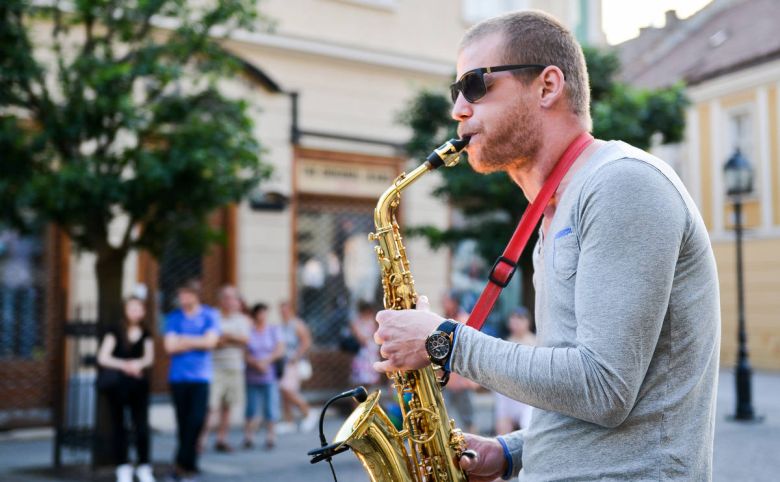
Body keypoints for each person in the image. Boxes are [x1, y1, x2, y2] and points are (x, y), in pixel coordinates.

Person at [373, 11, 720, 481]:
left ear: (547, 86)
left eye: (474, 85)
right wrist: (512, 451)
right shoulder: (560, 207)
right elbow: (594, 398)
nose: (458, 109)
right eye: (455, 92)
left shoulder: (622, 183)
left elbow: (604, 388)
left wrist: (443, 341)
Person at [164, 280, 220, 482]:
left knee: (196, 420)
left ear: (196, 295)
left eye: (186, 294)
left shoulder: (209, 315)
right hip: (178, 377)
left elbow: (210, 342)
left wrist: (184, 340)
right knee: (183, 422)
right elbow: (169, 347)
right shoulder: (174, 317)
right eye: (180, 295)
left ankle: (180, 463)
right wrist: (198, 341)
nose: (182, 298)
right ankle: (190, 465)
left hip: (200, 377)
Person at [97, 297, 155, 482]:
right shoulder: (115, 331)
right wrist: (125, 365)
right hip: (118, 386)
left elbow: (149, 358)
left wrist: (138, 364)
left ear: (143, 311)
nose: (135, 312)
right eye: (132, 308)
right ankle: (123, 466)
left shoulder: (146, 332)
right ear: (125, 310)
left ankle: (144, 466)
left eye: (138, 308)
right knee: (119, 427)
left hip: (138, 386)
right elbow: (103, 357)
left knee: (141, 427)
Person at [201, 286, 251, 452]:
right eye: (226, 298)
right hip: (214, 367)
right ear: (220, 300)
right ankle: (201, 440)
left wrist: (226, 337)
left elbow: (245, 340)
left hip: (235, 368)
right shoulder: (213, 316)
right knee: (211, 406)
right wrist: (229, 340)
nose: (230, 301)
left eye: (233, 298)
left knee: (228, 406)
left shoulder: (242, 319)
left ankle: (221, 439)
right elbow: (211, 341)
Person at [243, 303, 284, 449]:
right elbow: (245, 352)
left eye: (265, 313)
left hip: (269, 375)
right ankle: (249, 436)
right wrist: (255, 363)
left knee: (270, 407)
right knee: (251, 407)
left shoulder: (273, 330)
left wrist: (266, 361)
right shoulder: (249, 331)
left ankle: (271, 436)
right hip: (252, 375)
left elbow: (280, 349)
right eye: (260, 313)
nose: (262, 316)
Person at [277, 301, 317, 433]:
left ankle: (309, 412)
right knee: (284, 393)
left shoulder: (297, 324)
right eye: (281, 310)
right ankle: (288, 421)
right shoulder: (282, 325)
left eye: (285, 310)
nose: (283, 312)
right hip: (284, 363)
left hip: (294, 363)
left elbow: (306, 342)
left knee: (287, 389)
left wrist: (296, 356)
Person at [494, 307, 535, 435]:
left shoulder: (535, 342)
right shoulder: (505, 343)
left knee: (527, 428)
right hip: (509, 393)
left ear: (527, 322)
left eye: (520, 319)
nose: (516, 322)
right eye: (514, 318)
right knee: (502, 428)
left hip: (529, 395)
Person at [349, 301, 381, 388]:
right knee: (360, 378)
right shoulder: (357, 322)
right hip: (363, 352)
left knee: (371, 377)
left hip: (372, 351)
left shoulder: (373, 321)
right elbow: (360, 339)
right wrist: (369, 337)